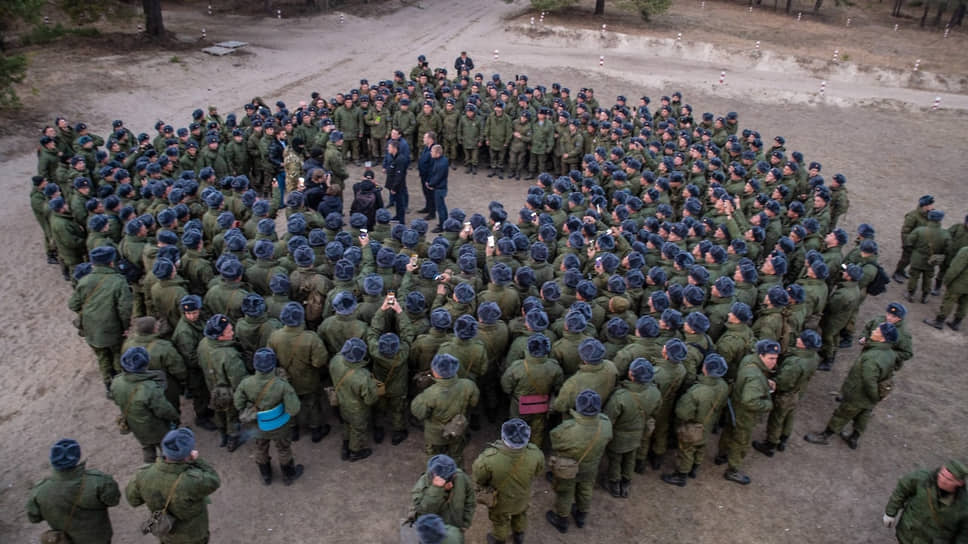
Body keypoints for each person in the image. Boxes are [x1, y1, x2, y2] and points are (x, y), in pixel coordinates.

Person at [804, 321, 899, 450]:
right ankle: (854, 438)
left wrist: (874, 396)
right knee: (863, 416)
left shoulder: (872, 357)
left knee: (842, 414)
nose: (873, 331)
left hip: (858, 393)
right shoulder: (890, 353)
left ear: (882, 338)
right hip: (870, 396)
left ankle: (825, 436)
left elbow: (868, 380)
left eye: (877, 331)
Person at [125, 428, 221, 544]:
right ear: (188, 454)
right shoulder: (193, 481)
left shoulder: (143, 474)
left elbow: (133, 500)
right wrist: (197, 460)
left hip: (166, 532)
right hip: (193, 535)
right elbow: (214, 480)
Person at [26, 439, 121, 544]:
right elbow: (113, 501)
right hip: (98, 538)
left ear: (52, 460)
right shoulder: (98, 481)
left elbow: (34, 518)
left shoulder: (39, 491)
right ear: (77, 457)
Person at [68, 246, 133, 397]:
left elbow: (73, 304)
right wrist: (126, 327)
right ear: (111, 262)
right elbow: (125, 309)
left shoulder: (84, 280)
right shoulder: (118, 281)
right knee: (117, 354)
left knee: (103, 357)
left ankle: (108, 385)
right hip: (113, 328)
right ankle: (118, 384)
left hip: (90, 328)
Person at [545, 389, 613, 534]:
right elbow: (608, 439)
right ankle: (581, 515)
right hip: (591, 466)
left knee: (565, 493)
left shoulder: (567, 428)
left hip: (568, 468)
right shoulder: (606, 424)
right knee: (586, 489)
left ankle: (561, 520)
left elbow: (555, 442)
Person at [234, 347, 303, 485]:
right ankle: (289, 475)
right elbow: (294, 409)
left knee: (260, 448)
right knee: (283, 449)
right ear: (273, 365)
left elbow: (238, 404)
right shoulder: (283, 385)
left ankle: (266, 476)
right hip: (279, 425)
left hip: (258, 425)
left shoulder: (246, 383)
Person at [715, 339, 779, 485]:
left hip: (735, 404)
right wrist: (767, 404)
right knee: (741, 441)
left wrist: (764, 380)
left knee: (729, 430)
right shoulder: (755, 378)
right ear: (761, 356)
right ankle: (733, 470)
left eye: (775, 358)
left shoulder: (749, 360)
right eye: (771, 358)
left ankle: (721, 455)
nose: (774, 362)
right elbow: (749, 401)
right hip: (745, 414)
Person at [471, 418, 545, 544]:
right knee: (520, 514)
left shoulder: (488, 458)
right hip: (522, 495)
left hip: (500, 500)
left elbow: (479, 479)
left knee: (500, 520)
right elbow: (538, 472)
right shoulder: (536, 454)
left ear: (503, 436)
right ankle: (519, 535)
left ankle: (499, 540)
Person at [267, 302, 331, 443]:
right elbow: (319, 362)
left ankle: (293, 431)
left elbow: (270, 359)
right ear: (301, 318)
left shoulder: (274, 336)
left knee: (289, 404)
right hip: (308, 380)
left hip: (286, 381)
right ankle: (316, 431)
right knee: (313, 404)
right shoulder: (311, 338)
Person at [662, 353, 729, 487]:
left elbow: (682, 413)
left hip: (692, 426)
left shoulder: (696, 391)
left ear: (706, 369)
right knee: (701, 446)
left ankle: (681, 475)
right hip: (708, 422)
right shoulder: (723, 386)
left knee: (687, 450)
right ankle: (694, 468)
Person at [752, 330, 821, 457]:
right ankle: (784, 438)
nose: (798, 339)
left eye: (801, 338)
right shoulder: (813, 357)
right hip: (796, 392)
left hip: (785, 395)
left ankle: (770, 444)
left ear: (805, 344)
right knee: (790, 415)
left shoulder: (795, 362)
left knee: (776, 419)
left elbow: (783, 382)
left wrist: (772, 381)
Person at [111, 346, 180, 463]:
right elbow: (164, 410)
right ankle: (167, 467)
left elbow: (116, 400)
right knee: (166, 449)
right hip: (157, 428)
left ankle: (149, 466)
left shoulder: (116, 382)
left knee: (147, 447)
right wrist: (175, 417)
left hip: (136, 426)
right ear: (145, 365)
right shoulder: (149, 388)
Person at [603, 358, 660, 497]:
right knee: (630, 457)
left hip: (618, 435)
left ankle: (614, 484)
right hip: (638, 433)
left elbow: (608, 418)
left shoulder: (620, 396)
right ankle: (626, 482)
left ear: (631, 375)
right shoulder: (655, 392)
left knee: (615, 460)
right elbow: (655, 412)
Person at [411, 353, 480, 465]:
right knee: (456, 454)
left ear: (436, 373)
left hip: (435, 433)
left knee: (433, 455)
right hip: (458, 427)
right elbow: (473, 403)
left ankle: (435, 475)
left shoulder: (430, 393)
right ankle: (456, 472)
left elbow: (419, 413)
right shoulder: (469, 385)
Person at [883, 460, 968, 543]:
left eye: (949, 479)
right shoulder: (923, 479)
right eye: (941, 474)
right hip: (906, 535)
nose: (942, 480)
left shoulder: (964, 506)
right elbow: (903, 489)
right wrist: (890, 512)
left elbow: (964, 534)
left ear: (959, 483)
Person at [197, 314, 248, 452]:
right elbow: (239, 380)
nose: (232, 332)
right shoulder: (229, 354)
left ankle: (222, 435)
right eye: (229, 331)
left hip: (211, 386)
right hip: (228, 391)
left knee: (217, 410)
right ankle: (232, 438)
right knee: (232, 415)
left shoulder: (203, 344)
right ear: (220, 337)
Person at [329, 337, 381, 461]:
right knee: (358, 429)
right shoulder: (363, 376)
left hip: (341, 402)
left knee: (346, 423)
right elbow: (370, 400)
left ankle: (345, 445)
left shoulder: (336, 360)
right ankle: (355, 452)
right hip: (357, 409)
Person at [410, 454, 475, 533]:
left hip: (455, 529)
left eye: (451, 477)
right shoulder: (422, 484)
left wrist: (465, 523)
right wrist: (437, 489)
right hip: (433, 533)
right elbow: (423, 513)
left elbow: (470, 502)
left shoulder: (461, 478)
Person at [905, 209, 950, 304]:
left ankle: (911, 294)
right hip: (931, 261)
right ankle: (924, 297)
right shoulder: (945, 234)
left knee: (914, 276)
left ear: (929, 217)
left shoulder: (919, 230)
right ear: (940, 220)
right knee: (928, 279)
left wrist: (914, 250)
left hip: (917, 258)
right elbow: (947, 249)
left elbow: (909, 242)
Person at [892, 194, 934, 283]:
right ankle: (897, 272)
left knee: (911, 259)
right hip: (911, 243)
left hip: (919, 244)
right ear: (925, 206)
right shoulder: (913, 216)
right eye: (930, 205)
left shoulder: (929, 215)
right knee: (905, 259)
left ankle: (902, 271)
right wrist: (907, 244)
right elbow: (905, 232)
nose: (932, 206)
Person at [925, 245, 968, 331]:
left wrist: (947, 280)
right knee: (965, 303)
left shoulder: (966, 251)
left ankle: (939, 321)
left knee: (949, 300)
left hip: (959, 282)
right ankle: (956, 323)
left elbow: (956, 268)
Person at [385, 139, 410, 223]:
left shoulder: (400, 159)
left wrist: (394, 188)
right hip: (393, 185)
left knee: (400, 203)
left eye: (389, 147)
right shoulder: (393, 157)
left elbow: (399, 176)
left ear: (394, 148)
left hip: (398, 187)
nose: (388, 149)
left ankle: (401, 220)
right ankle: (397, 216)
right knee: (397, 203)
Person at [426, 144, 449, 233]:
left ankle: (442, 225)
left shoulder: (441, 164)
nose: (430, 153)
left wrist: (430, 184)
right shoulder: (441, 160)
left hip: (439, 188)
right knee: (442, 206)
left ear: (438, 153)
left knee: (440, 208)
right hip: (440, 187)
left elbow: (437, 177)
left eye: (432, 151)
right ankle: (444, 222)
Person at [418, 132, 437, 220]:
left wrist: (429, 180)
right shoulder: (426, 148)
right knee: (426, 193)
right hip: (424, 175)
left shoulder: (434, 150)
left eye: (425, 138)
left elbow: (432, 167)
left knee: (430, 195)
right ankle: (427, 207)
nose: (423, 139)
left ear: (430, 139)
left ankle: (432, 213)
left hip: (429, 177)